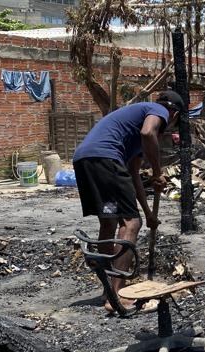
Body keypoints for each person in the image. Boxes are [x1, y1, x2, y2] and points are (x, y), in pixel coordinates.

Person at [72, 91, 183, 311]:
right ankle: (116, 296)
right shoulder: (158, 111)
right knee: (131, 224)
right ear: (175, 114)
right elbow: (148, 132)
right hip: (106, 160)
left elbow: (132, 175)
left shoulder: (133, 132)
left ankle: (107, 291)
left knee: (110, 220)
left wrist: (148, 213)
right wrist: (157, 171)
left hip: (86, 161)